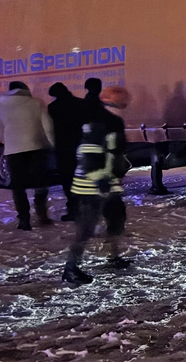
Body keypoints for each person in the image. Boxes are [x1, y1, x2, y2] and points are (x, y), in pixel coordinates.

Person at [62, 85, 133, 285]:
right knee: (86, 227)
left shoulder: (106, 118)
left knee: (117, 218)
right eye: (124, 98)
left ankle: (113, 256)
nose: (127, 102)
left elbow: (113, 152)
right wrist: (100, 178)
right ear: (114, 100)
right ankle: (71, 268)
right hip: (93, 185)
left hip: (105, 182)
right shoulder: (104, 120)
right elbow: (90, 151)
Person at [0, 81, 55, 230]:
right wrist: (51, 144)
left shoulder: (1, 107)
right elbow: (48, 126)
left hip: (13, 150)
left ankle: (24, 219)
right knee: (40, 183)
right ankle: (42, 215)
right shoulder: (36, 103)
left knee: (18, 186)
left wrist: (9, 139)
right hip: (36, 148)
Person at [48, 83, 85, 221]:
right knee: (81, 178)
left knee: (67, 180)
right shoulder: (80, 104)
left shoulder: (53, 108)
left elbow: (50, 129)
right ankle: (84, 207)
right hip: (79, 145)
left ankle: (73, 209)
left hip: (62, 148)